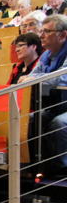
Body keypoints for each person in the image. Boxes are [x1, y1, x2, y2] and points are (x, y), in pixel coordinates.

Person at [20, 15, 67, 172]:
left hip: (64, 108)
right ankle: (37, 165)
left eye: (47, 32)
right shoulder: (46, 54)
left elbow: (61, 78)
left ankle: (61, 170)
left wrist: (33, 78)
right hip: (55, 105)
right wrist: (33, 78)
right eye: (42, 31)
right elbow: (31, 76)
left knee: (59, 123)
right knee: (30, 119)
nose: (40, 35)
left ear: (63, 35)